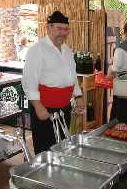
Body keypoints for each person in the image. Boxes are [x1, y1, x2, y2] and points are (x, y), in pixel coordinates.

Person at [22, 11, 84, 154]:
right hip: (45, 108)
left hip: (64, 109)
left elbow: (72, 76)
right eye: (59, 29)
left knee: (62, 146)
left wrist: (78, 96)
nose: (63, 33)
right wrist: (38, 106)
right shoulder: (37, 50)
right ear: (48, 28)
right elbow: (29, 80)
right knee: (46, 150)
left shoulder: (67, 50)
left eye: (66, 29)